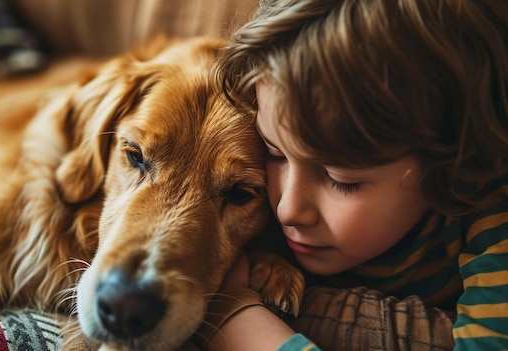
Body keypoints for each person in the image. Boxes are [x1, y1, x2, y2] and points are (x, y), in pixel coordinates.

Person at [200, 0, 508, 350]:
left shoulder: (491, 214)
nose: (287, 209)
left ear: (455, 159)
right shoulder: (253, 201)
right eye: (274, 153)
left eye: (340, 179)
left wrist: (235, 317)